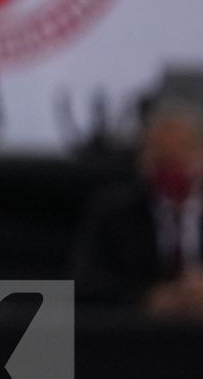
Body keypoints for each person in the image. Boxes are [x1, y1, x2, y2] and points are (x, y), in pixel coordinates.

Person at [73, 99, 203, 316]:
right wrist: (146, 299)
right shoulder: (114, 212)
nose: (171, 167)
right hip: (138, 336)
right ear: (142, 159)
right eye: (161, 156)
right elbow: (85, 285)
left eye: (179, 155)